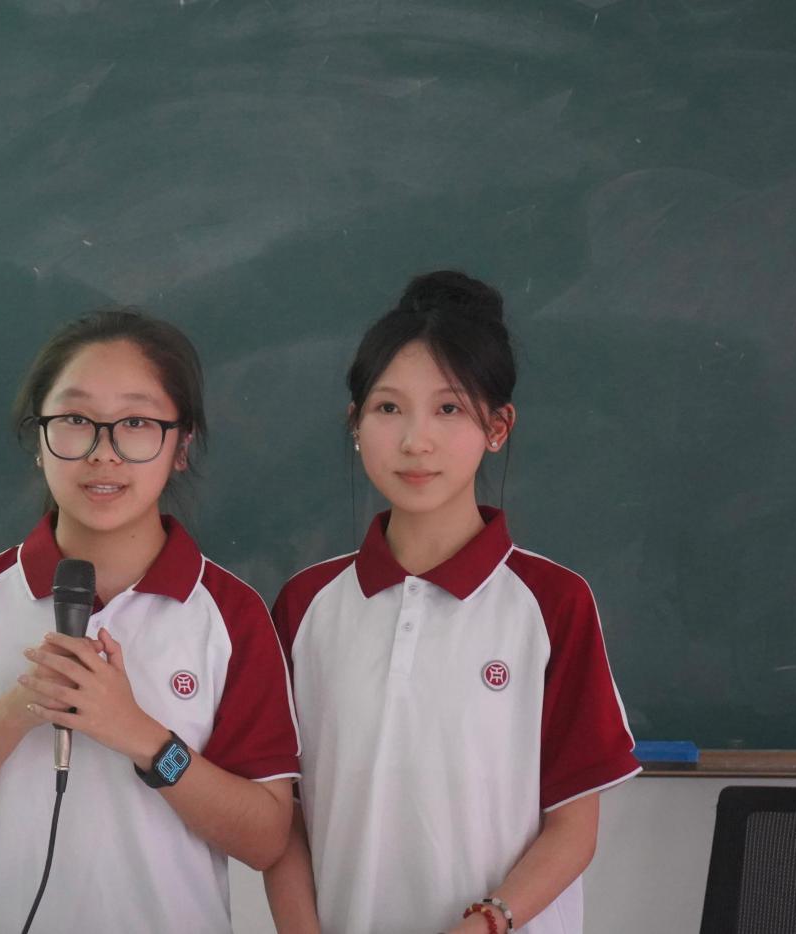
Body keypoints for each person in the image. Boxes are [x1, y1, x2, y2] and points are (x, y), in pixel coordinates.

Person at [0, 307, 299, 933]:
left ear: (181, 446)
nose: (104, 454)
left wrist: (143, 738)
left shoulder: (231, 613)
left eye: (136, 423)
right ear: (39, 438)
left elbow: (266, 838)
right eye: (76, 421)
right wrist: (20, 707)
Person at [264, 271, 640, 934]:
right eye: (388, 409)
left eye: (448, 409)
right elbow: (281, 819)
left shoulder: (552, 603)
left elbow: (573, 829)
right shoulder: (305, 606)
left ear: (497, 426)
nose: (416, 441)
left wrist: (487, 922)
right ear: (355, 424)